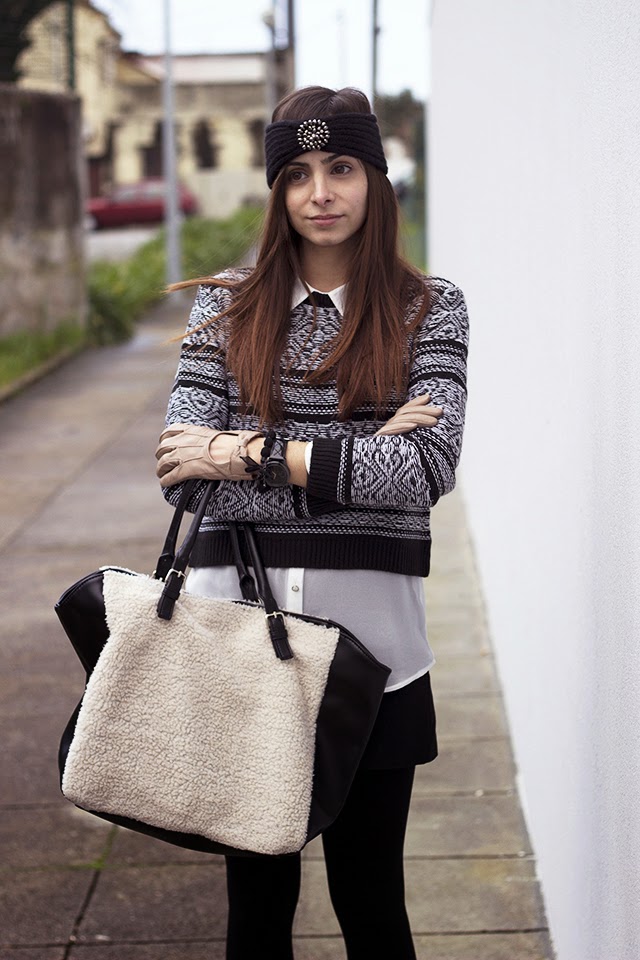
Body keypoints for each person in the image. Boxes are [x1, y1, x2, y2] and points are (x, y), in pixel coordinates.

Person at [155, 85, 469, 960]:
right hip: (237, 648)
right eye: (296, 173)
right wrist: (359, 452)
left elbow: (425, 470)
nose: (320, 192)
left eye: (341, 168)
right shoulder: (223, 308)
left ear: (376, 178)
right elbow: (183, 477)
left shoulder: (429, 308)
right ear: (276, 190)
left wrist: (247, 450)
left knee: (373, 907)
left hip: (378, 659)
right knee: (256, 914)